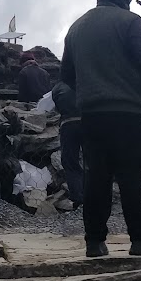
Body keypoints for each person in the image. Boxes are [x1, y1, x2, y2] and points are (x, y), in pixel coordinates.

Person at [59, 0, 141, 258]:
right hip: (127, 113)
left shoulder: (77, 27)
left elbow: (67, 77)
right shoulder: (130, 21)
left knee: (96, 178)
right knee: (133, 177)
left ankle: (94, 242)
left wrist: (93, 89)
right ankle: (140, 239)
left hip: (92, 117)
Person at [52, 78, 85, 210]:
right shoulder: (86, 80)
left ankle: (77, 199)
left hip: (68, 124)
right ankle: (94, 196)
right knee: (92, 161)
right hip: (88, 122)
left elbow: (57, 107)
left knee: (70, 162)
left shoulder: (58, 86)